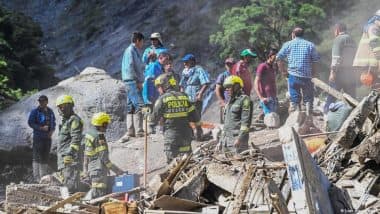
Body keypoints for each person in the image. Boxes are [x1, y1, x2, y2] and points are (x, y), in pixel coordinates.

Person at [148, 73, 203, 163]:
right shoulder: (184, 97)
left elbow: (154, 119)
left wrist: (150, 122)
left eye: (158, 87)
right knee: (187, 162)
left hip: (171, 137)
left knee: (173, 164)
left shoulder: (163, 99)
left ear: (164, 85)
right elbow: (195, 115)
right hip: (186, 135)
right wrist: (199, 129)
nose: (158, 90)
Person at [277, 27, 320, 114]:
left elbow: (278, 58)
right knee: (308, 99)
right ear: (303, 34)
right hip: (307, 77)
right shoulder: (310, 45)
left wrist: (283, 71)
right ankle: (309, 118)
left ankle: (296, 119)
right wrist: (314, 74)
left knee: (295, 99)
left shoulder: (288, 44)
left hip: (293, 76)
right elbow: (315, 61)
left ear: (293, 34)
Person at [83, 112, 124, 198]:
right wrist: (117, 171)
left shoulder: (89, 134)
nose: (107, 126)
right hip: (99, 171)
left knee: (95, 195)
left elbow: (86, 155)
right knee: (100, 197)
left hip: (93, 170)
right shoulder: (99, 137)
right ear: (101, 124)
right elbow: (104, 159)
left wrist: (85, 170)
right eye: (105, 124)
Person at [324, 23, 357, 114]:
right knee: (351, 98)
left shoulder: (338, 39)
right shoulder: (352, 40)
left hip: (340, 72)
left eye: (334, 30)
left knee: (332, 94)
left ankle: (326, 113)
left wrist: (332, 72)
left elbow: (336, 58)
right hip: (350, 72)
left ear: (337, 30)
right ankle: (353, 114)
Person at [55, 95, 83, 193]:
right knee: (66, 183)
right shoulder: (65, 122)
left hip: (70, 158)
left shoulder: (74, 119)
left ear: (70, 106)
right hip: (63, 158)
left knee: (71, 185)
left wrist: (70, 154)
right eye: (60, 107)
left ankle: (74, 205)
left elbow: (76, 138)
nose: (61, 109)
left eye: (64, 106)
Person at [219, 75, 253, 154]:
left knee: (241, 164)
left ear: (236, 86)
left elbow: (246, 123)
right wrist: (220, 141)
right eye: (226, 88)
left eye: (229, 87)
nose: (226, 90)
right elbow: (226, 125)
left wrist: (239, 139)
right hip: (226, 142)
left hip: (237, 142)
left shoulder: (244, 100)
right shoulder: (229, 102)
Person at [121, 31, 145, 137]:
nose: (142, 44)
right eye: (142, 42)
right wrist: (137, 81)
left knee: (130, 106)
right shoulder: (131, 50)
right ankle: (139, 130)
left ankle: (130, 130)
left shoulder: (132, 50)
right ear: (138, 40)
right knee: (139, 105)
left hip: (128, 81)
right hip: (132, 81)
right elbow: (131, 66)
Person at [28, 95, 56, 182]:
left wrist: (52, 130)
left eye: (43, 101)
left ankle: (43, 177)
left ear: (47, 102)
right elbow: (30, 123)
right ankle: (36, 178)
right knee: (37, 157)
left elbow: (53, 122)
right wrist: (40, 128)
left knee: (45, 156)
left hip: (48, 138)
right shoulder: (35, 111)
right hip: (38, 138)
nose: (41, 103)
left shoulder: (50, 111)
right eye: (40, 101)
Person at [353, 10, 380, 87]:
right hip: (370, 64)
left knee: (376, 86)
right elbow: (375, 45)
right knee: (376, 85)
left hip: (371, 63)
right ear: (377, 19)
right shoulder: (373, 28)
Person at [254, 49, 278, 115]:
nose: (276, 58)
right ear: (270, 56)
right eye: (275, 56)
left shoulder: (272, 68)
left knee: (274, 119)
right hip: (266, 98)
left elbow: (273, 82)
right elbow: (256, 82)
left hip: (273, 97)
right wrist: (261, 98)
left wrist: (275, 96)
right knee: (270, 119)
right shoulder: (262, 66)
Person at [215, 57, 235, 123]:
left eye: (231, 64)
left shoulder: (237, 75)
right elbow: (217, 89)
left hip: (237, 102)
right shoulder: (222, 76)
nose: (229, 66)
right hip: (226, 102)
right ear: (225, 65)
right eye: (227, 64)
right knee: (226, 122)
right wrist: (222, 101)